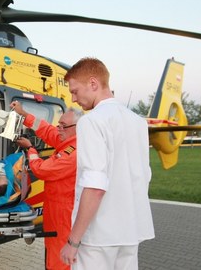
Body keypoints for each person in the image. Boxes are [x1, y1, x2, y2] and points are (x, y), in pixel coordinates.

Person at [60, 58, 154, 269]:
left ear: (93, 83)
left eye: (75, 91)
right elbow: (144, 175)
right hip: (130, 231)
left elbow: (95, 186)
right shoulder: (138, 122)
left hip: (98, 237)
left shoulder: (91, 121)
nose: (73, 99)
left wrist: (73, 241)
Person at [11, 101, 81, 270]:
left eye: (63, 126)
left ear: (78, 127)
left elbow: (43, 170)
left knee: (59, 259)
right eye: (59, 124)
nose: (59, 129)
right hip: (56, 209)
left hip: (64, 215)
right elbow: (46, 130)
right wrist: (24, 114)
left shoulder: (74, 152)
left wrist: (31, 149)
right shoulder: (69, 139)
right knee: (52, 251)